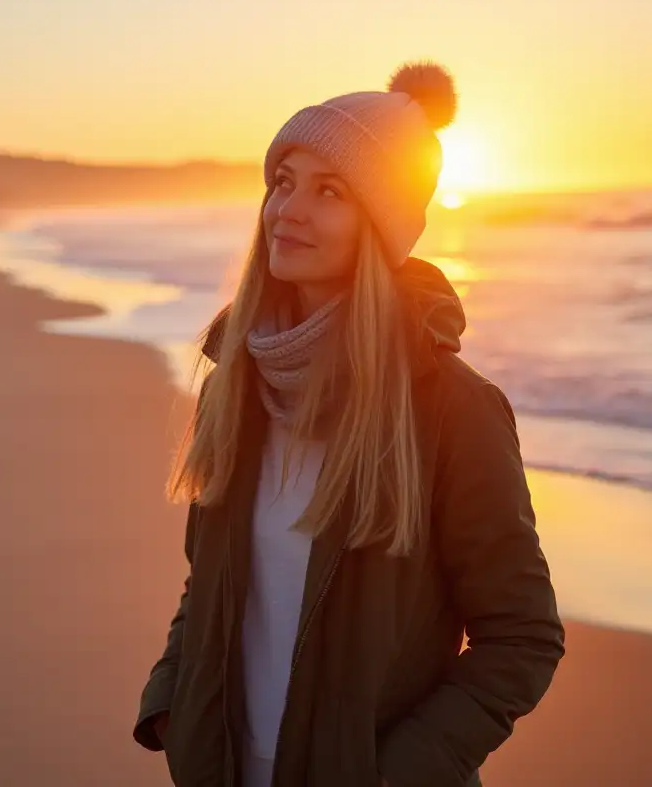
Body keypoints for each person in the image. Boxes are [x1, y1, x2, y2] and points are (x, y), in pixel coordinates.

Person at [133, 62, 564, 786]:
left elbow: (521, 636)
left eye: (329, 191)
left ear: (381, 222)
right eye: (284, 181)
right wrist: (174, 707)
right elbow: (206, 585)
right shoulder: (236, 387)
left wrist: (399, 772)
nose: (288, 209)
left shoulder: (450, 411)